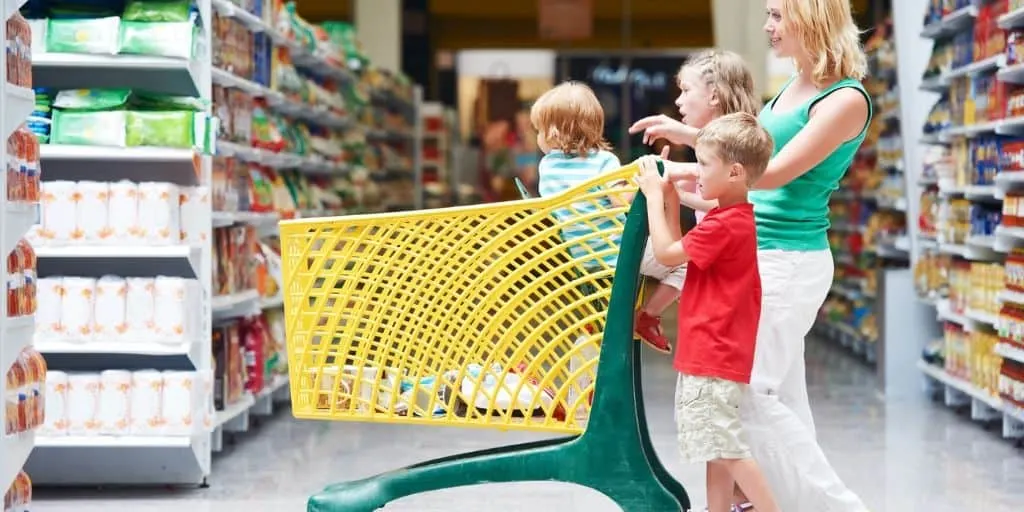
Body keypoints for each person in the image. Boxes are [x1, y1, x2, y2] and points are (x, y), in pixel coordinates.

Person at [630, 1, 872, 511]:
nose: (768, 26)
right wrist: (688, 156)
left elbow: (773, 170)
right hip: (756, 250)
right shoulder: (790, 87)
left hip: (788, 257)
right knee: (781, 399)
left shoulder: (846, 99)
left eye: (778, 15)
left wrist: (688, 155)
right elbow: (748, 169)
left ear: (812, 18)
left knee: (747, 395)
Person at [635, 112, 779, 512]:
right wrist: (667, 198)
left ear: (734, 172)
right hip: (715, 350)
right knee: (717, 449)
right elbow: (681, 250)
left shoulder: (724, 225)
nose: (696, 172)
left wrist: (650, 196)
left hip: (712, 352)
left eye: (704, 164)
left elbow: (665, 253)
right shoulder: (728, 218)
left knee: (726, 449)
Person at [529, 81, 691, 351]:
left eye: (539, 130)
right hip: (615, 253)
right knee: (686, 265)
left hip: (579, 258)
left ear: (555, 132)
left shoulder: (547, 166)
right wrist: (649, 181)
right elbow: (621, 202)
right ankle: (648, 316)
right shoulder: (604, 162)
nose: (538, 137)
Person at [632, 49, 763, 354]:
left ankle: (646, 315)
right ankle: (648, 316)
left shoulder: (735, 150)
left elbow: (670, 252)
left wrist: (661, 191)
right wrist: (674, 191)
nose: (678, 101)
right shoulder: (722, 149)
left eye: (686, 90)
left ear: (714, 95)